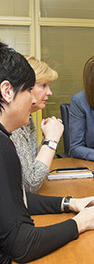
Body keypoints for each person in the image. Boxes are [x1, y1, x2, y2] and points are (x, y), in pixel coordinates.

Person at [0, 42, 94, 264]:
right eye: (29, 90)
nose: (34, 97)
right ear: (7, 91)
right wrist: (81, 222)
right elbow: (23, 244)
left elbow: (15, 198)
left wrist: (70, 203)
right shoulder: (2, 145)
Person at [10, 56, 63, 193]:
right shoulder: (13, 123)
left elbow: (34, 167)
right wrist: (52, 140)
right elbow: (30, 185)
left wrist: (47, 139)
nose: (50, 92)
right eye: (43, 85)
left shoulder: (27, 116)